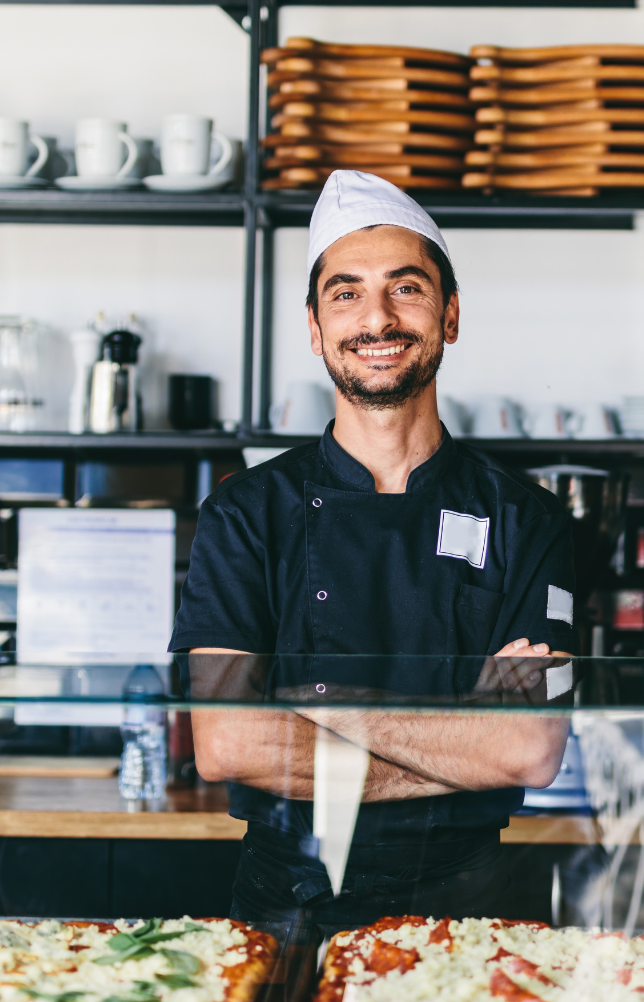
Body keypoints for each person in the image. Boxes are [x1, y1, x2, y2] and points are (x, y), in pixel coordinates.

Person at [169, 171, 578, 925]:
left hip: (469, 905)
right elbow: (224, 743)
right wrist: (460, 748)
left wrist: (321, 705)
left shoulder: (531, 520)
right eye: (346, 293)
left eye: (407, 288)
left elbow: (529, 752)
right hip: (286, 899)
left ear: (449, 316)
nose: (377, 318)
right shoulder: (244, 514)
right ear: (317, 329)